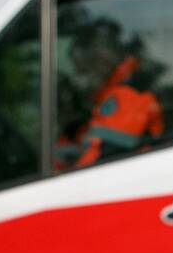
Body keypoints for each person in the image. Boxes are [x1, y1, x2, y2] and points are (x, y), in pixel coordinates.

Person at [55, 22, 164, 170]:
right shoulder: (107, 95)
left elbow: (103, 160)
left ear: (102, 59)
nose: (80, 75)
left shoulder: (128, 95)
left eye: (84, 68)